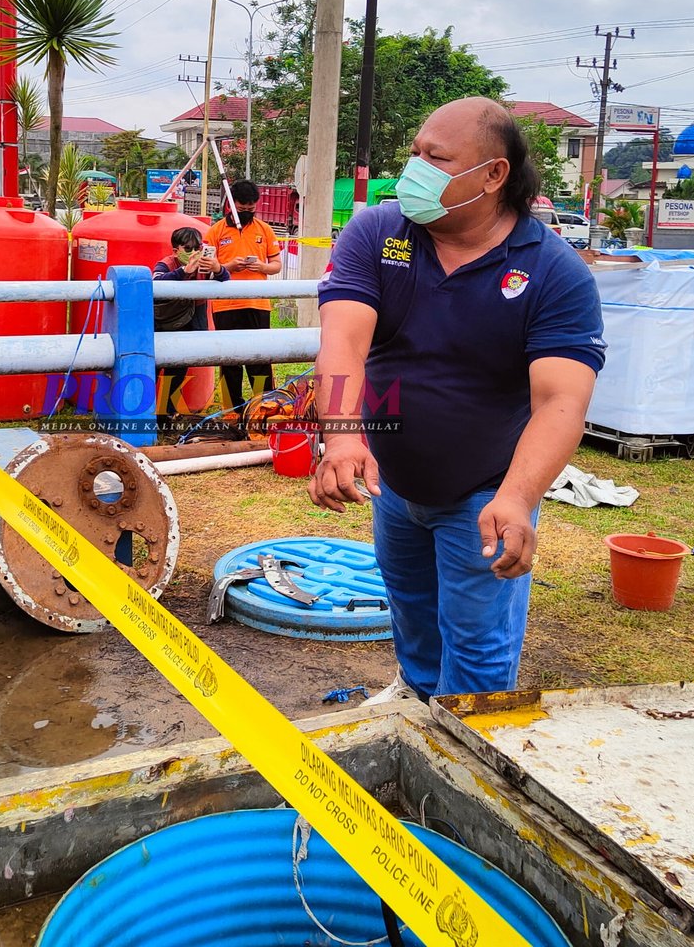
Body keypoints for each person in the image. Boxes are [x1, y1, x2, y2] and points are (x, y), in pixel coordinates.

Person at [309, 97, 605, 705]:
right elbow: (343, 342)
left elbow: (560, 401)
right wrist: (341, 437)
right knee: (414, 626)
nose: (415, 168)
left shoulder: (553, 272)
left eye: (436, 158)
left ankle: (468, 768)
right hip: (393, 487)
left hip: (483, 495)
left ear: (493, 175)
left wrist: (518, 498)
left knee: (476, 648)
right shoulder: (379, 232)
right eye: (415, 152)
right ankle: (417, 728)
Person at [203, 179, 282, 416]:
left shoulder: (264, 230)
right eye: (242, 206)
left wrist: (260, 266)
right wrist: (228, 267)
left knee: (260, 358)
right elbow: (206, 268)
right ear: (231, 204)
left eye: (251, 207)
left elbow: (276, 265)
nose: (247, 211)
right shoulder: (215, 232)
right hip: (226, 306)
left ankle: (264, 408)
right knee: (230, 360)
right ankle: (232, 411)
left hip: (258, 304)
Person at [151, 225, 228, 430]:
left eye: (198, 247)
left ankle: (165, 415)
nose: (194, 253)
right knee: (153, 370)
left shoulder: (204, 267)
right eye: (188, 249)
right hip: (163, 326)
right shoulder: (167, 264)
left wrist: (217, 268)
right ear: (176, 250)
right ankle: (144, 413)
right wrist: (183, 272)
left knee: (177, 372)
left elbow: (225, 278)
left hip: (190, 325)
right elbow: (155, 283)